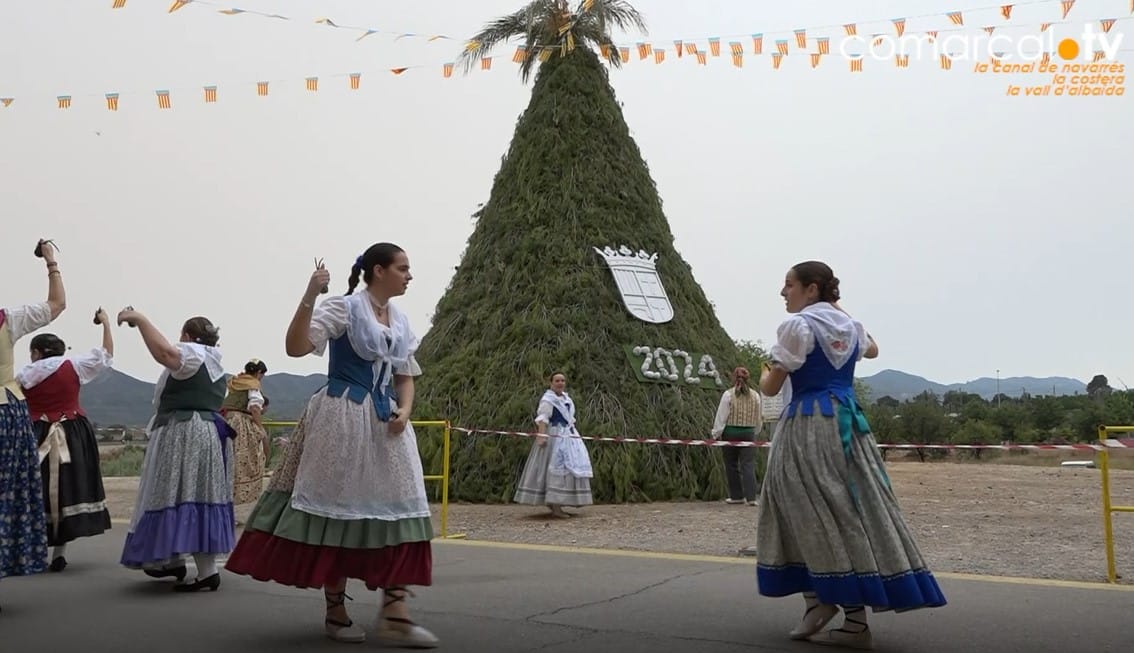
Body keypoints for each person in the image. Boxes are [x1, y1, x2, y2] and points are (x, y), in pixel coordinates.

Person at [225, 244, 437, 647]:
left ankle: (395, 610)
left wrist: (406, 409)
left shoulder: (402, 321)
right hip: (342, 415)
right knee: (337, 508)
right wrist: (310, 295)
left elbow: (404, 374)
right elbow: (296, 346)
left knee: (402, 505)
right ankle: (336, 609)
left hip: (384, 421)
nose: (410, 276)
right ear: (379, 270)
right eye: (403, 268)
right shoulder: (345, 309)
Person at [755, 261, 945, 649]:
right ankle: (848, 616)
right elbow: (872, 349)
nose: (782, 291)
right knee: (848, 510)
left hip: (808, 424)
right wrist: (836, 307)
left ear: (811, 289)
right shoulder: (851, 328)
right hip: (848, 425)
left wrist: (765, 370)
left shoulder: (798, 328)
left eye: (789, 284)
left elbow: (771, 388)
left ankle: (822, 602)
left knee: (794, 507)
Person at [116, 310, 234, 593]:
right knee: (197, 494)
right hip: (207, 430)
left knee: (173, 492)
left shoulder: (191, 353)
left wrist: (140, 319)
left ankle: (178, 562)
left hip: (184, 430)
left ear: (187, 336)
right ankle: (187, 564)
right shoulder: (217, 364)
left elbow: (165, 354)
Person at [17, 308, 115, 572]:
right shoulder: (74, 365)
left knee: (35, 490)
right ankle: (60, 552)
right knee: (69, 487)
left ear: (36, 353)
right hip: (72, 431)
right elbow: (106, 354)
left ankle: (33, 549)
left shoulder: (24, 375)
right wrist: (105, 322)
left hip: (35, 434)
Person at [0, 239, 66, 612]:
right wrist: (52, 261)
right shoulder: (7, 320)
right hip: (5, 415)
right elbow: (57, 305)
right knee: (6, 498)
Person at [514, 372, 594, 518]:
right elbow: (543, 418)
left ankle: (558, 503)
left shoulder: (566, 398)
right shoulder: (548, 399)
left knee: (569, 467)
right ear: (551, 383)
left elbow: (570, 418)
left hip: (568, 435)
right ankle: (555, 506)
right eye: (557, 380)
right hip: (554, 435)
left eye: (562, 380)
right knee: (555, 467)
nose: (560, 383)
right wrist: (542, 435)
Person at [710, 366, 763, 506]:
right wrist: (755, 431)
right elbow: (759, 417)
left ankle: (736, 496)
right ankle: (751, 498)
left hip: (730, 434)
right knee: (748, 464)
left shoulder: (728, 394)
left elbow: (721, 416)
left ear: (734, 378)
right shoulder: (756, 396)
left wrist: (716, 433)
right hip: (749, 433)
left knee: (731, 464)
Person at [222, 359, 270, 508]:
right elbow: (255, 408)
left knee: (226, 461)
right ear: (259, 373)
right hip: (239, 424)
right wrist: (260, 428)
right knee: (245, 461)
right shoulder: (252, 385)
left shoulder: (234, 382)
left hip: (225, 420)